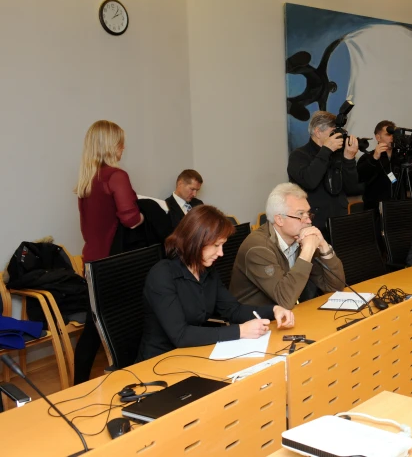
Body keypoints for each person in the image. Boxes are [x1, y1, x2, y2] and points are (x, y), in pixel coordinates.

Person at [137, 205, 295, 362]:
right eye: (216, 245)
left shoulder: (207, 271)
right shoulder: (162, 275)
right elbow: (181, 335)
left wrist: (274, 310)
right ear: (196, 240)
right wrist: (240, 331)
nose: (221, 253)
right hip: (159, 362)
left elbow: (233, 309)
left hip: (194, 354)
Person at [74, 120, 144, 384]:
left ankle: (77, 385)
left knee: (93, 330)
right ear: (112, 145)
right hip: (115, 264)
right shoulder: (116, 176)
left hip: (92, 260)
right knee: (128, 323)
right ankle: (130, 381)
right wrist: (145, 216)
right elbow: (130, 218)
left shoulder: (87, 180)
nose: (123, 147)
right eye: (120, 142)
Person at [230, 183, 346, 310]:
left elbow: (335, 287)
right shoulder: (257, 248)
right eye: (300, 214)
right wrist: (307, 251)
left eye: (308, 214)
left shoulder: (299, 239)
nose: (308, 221)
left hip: (290, 315)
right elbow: (284, 299)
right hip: (256, 323)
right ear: (279, 220)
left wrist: (324, 247)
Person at [287, 111, 361, 239]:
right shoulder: (299, 155)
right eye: (332, 133)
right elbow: (310, 181)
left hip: (339, 223)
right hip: (313, 224)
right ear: (317, 132)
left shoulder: (338, 154)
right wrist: (326, 150)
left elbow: (352, 188)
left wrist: (349, 159)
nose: (337, 137)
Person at [357, 120, 412, 212]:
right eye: (388, 134)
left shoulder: (401, 157)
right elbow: (360, 177)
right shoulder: (368, 157)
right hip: (376, 211)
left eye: (393, 134)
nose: (392, 137)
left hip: (399, 210)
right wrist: (374, 158)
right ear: (378, 137)